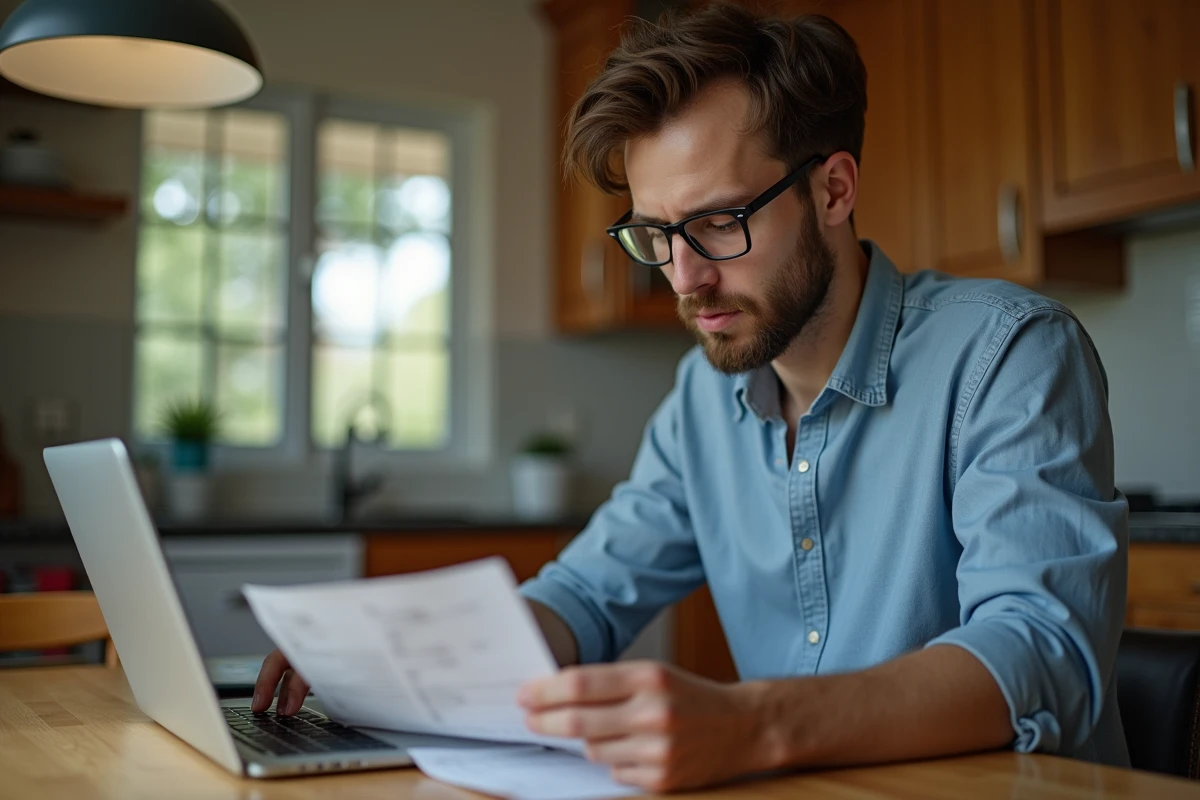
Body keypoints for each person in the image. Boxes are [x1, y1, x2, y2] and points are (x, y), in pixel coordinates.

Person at [254, 3, 1129, 791]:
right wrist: (389, 663)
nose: (686, 277)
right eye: (655, 233)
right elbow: (587, 597)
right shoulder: (700, 403)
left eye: (718, 222)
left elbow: (1040, 650)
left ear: (833, 189)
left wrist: (755, 724)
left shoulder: (1007, 352)